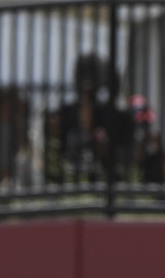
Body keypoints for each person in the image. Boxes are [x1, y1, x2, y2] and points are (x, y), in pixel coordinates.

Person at [47, 54, 135, 184]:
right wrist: (55, 134)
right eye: (83, 76)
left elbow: (123, 159)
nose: (87, 84)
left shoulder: (112, 116)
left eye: (91, 76)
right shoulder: (66, 113)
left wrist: (104, 148)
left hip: (101, 182)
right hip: (71, 180)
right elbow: (57, 152)